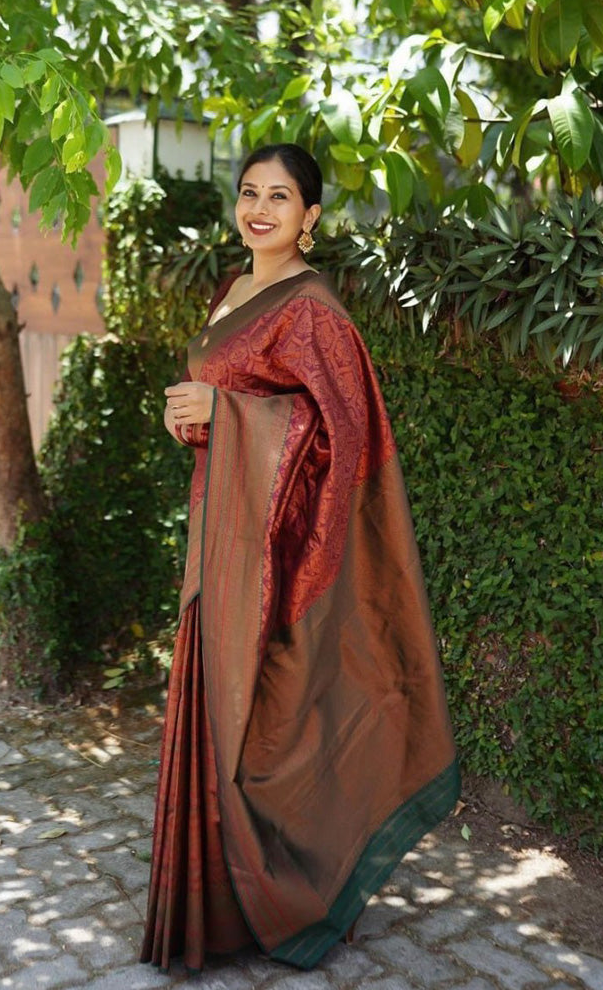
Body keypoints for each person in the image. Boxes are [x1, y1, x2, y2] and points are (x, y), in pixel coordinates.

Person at [140, 143, 459, 973]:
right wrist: (197, 419)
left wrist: (228, 414)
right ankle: (217, 901)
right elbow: (239, 399)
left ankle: (290, 895)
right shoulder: (234, 288)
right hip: (223, 536)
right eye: (249, 192)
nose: (259, 209)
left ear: (310, 216)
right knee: (217, 709)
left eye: (279, 197)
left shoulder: (315, 311)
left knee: (265, 719)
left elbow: (340, 437)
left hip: (276, 557)